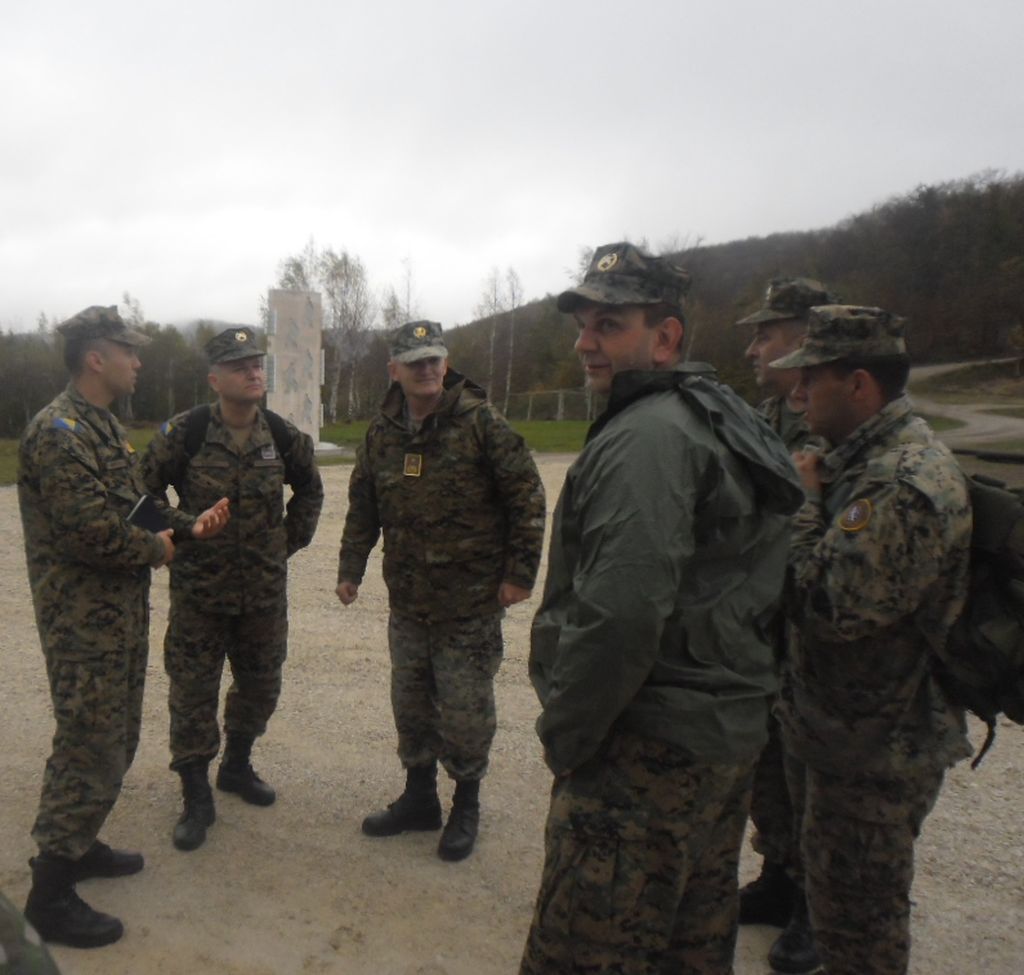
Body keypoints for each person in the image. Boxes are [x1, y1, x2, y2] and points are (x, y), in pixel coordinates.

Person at [520, 243, 804, 974]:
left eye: (610, 325)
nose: (586, 343)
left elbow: (621, 614)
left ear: (666, 337)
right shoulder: (716, 413)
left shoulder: (649, 435)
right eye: (584, 325)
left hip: (644, 751)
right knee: (690, 948)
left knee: (583, 952)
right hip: (720, 740)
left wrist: (567, 734)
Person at [769, 305, 972, 975]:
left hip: (877, 752)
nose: (798, 391)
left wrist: (803, 503)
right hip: (841, 732)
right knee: (836, 911)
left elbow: (825, 605)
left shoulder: (900, 482)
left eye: (812, 378)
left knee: (860, 933)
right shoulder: (856, 461)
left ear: (859, 385)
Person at [17, 306, 229, 948]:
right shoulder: (58, 432)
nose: (138, 361)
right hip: (81, 621)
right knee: (90, 742)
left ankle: (79, 845)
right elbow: (90, 531)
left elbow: (132, 506)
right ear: (95, 358)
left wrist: (185, 526)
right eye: (128, 351)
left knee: (116, 734)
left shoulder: (102, 426)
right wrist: (160, 550)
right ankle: (49, 894)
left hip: (116, 615)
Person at [336, 320, 545, 862]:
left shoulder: (481, 423)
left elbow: (526, 496)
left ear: (445, 363)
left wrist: (520, 574)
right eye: (415, 361)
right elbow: (363, 505)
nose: (427, 368)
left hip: (469, 602)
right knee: (411, 703)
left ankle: (466, 804)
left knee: (465, 709)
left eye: (434, 359)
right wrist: (350, 568)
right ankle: (419, 798)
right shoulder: (383, 432)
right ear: (394, 370)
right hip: (409, 601)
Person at [142, 326, 323, 851]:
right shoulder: (187, 432)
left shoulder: (280, 435)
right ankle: (196, 793)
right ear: (214, 379)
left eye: (257, 364)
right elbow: (137, 496)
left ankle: (237, 765)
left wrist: (285, 543)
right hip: (199, 594)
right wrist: (182, 530)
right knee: (192, 693)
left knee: (261, 686)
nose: (253, 373)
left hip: (263, 595)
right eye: (239, 366)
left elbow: (310, 489)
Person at [734, 277, 836, 973]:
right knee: (768, 765)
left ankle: (815, 906)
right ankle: (778, 874)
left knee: (813, 776)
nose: (753, 349)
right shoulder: (766, 415)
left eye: (766, 335)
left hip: (812, 634)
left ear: (805, 334)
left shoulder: (835, 421)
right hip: (764, 626)